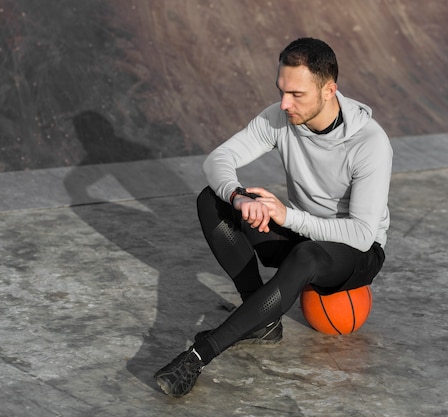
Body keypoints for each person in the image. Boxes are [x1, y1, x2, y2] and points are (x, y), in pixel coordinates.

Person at [154, 37, 393, 397]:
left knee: (307, 254)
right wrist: (237, 197)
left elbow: (361, 234)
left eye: (296, 94)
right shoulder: (280, 117)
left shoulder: (370, 143)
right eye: (281, 90)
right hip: (301, 230)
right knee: (212, 200)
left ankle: (198, 357)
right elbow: (217, 160)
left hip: (353, 251)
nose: (284, 103)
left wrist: (286, 215)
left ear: (329, 90)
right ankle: (262, 323)